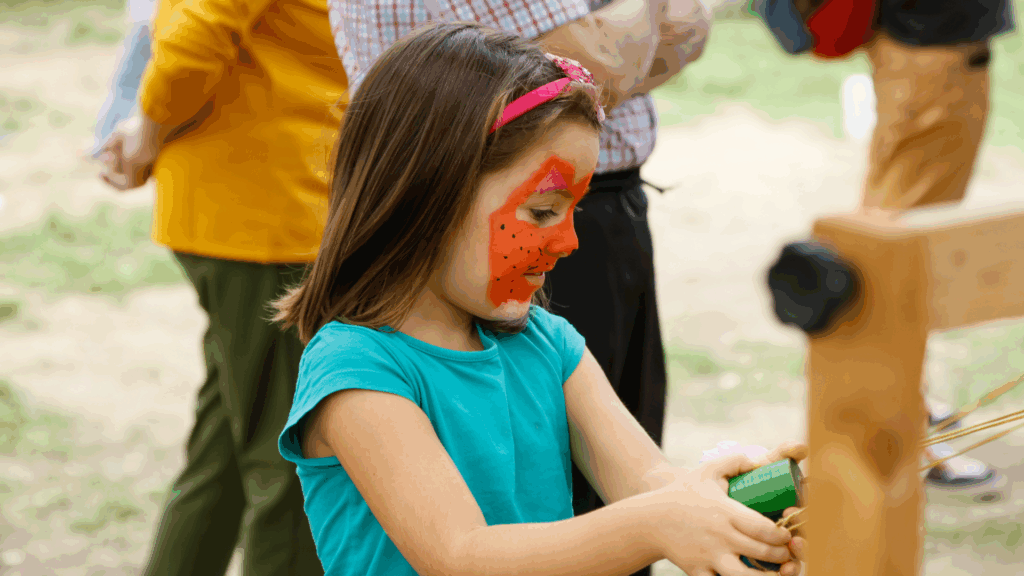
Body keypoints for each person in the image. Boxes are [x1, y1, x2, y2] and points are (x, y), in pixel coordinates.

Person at [274, 21, 804, 576]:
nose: (570, 241)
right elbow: (462, 556)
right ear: (428, 190)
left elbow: (653, 485)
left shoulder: (550, 345)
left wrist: (751, 511)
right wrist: (659, 522)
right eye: (544, 211)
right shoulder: (356, 370)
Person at [97, 0, 347, 574]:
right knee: (288, 461)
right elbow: (194, 37)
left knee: (228, 446)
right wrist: (147, 132)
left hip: (262, 209)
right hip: (265, 217)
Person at [753, 0, 1017, 490]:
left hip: (931, 47)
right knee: (896, 245)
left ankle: (904, 403)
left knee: (901, 231)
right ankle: (898, 417)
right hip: (929, 47)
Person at [88, 0, 157, 158]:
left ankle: (108, 144)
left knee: (126, 86)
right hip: (152, 19)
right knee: (128, 85)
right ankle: (109, 143)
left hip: (150, 19)